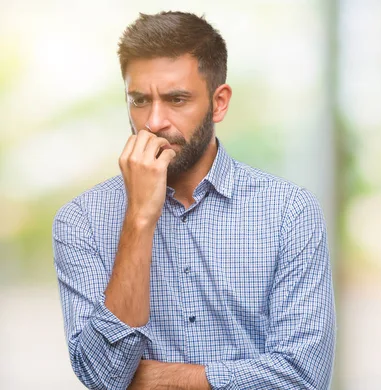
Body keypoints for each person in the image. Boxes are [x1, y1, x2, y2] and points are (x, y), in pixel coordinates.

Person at [52, 11, 336, 390]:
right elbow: (104, 377)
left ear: (219, 103)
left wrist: (156, 380)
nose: (154, 122)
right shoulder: (80, 221)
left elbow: (302, 377)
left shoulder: (289, 212)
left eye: (177, 99)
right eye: (139, 100)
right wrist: (139, 219)